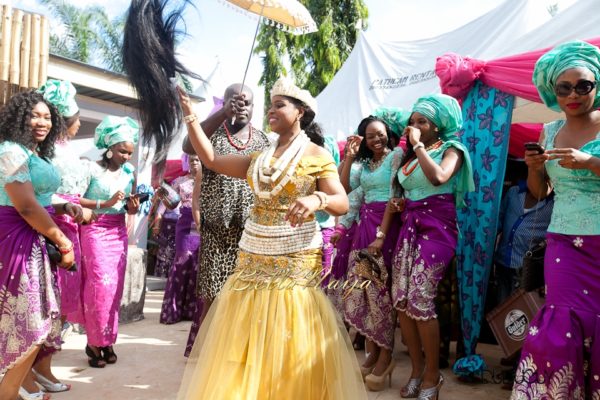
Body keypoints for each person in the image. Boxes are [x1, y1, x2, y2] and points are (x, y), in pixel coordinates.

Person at [177, 77, 367, 399]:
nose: (271, 111)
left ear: (300, 112)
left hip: (294, 259)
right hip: (252, 256)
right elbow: (209, 159)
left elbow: (342, 201)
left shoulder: (317, 155)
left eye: (280, 105)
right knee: (248, 338)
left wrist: (316, 200)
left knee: (288, 337)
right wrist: (190, 116)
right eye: (271, 105)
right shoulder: (260, 157)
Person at [511, 40, 600, 399]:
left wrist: (591, 162)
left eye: (583, 85)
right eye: (564, 88)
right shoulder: (548, 132)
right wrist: (534, 169)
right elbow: (541, 192)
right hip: (563, 240)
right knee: (559, 331)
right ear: (553, 91)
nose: (573, 95)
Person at [371, 93, 474, 399]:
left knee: (421, 298)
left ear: (438, 125)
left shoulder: (452, 148)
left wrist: (416, 145)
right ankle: (416, 369)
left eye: (422, 122)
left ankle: (433, 374)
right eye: (411, 122)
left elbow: (440, 177)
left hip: (438, 230)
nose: (413, 126)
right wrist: (399, 206)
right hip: (409, 228)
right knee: (401, 300)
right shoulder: (408, 157)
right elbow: (403, 192)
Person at [181, 83, 270, 356]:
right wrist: (221, 114)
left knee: (245, 294)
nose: (242, 106)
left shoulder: (263, 140)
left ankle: (239, 352)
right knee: (213, 294)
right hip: (217, 230)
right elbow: (188, 146)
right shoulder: (212, 132)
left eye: (248, 102)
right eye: (235, 100)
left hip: (250, 231)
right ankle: (208, 355)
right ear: (225, 102)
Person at [0, 90, 76, 400]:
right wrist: (63, 240)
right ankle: (7, 393)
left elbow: (38, 201)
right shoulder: (9, 151)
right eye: (34, 115)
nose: (41, 121)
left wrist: (60, 209)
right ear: (19, 117)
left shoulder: (31, 154)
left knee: (39, 320)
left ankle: (16, 388)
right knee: (30, 320)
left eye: (47, 116)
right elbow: (26, 206)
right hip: (16, 237)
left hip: (35, 236)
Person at [340, 115, 404, 391]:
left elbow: (394, 194)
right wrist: (348, 157)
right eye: (370, 136)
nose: (376, 140)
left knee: (382, 293)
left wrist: (381, 235)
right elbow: (345, 190)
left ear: (387, 133)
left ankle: (386, 355)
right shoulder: (364, 164)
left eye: (379, 134)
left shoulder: (396, 156)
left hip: (385, 227)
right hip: (364, 226)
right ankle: (375, 353)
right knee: (366, 291)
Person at [78, 116, 141, 368]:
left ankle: (107, 340)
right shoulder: (91, 169)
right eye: (122, 151)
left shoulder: (129, 173)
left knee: (114, 289)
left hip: (117, 231)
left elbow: (129, 207)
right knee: (99, 287)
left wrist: (133, 208)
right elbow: (76, 198)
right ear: (109, 147)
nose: (127, 157)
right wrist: (103, 204)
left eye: (130, 153)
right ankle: (94, 343)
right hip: (94, 228)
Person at [159, 154, 202, 324]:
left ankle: (193, 311)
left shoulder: (210, 181)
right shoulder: (179, 182)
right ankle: (174, 311)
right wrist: (163, 195)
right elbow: (171, 204)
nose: (194, 163)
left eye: (198, 160)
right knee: (182, 262)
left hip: (202, 226)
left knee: (198, 265)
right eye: (192, 160)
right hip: (184, 225)